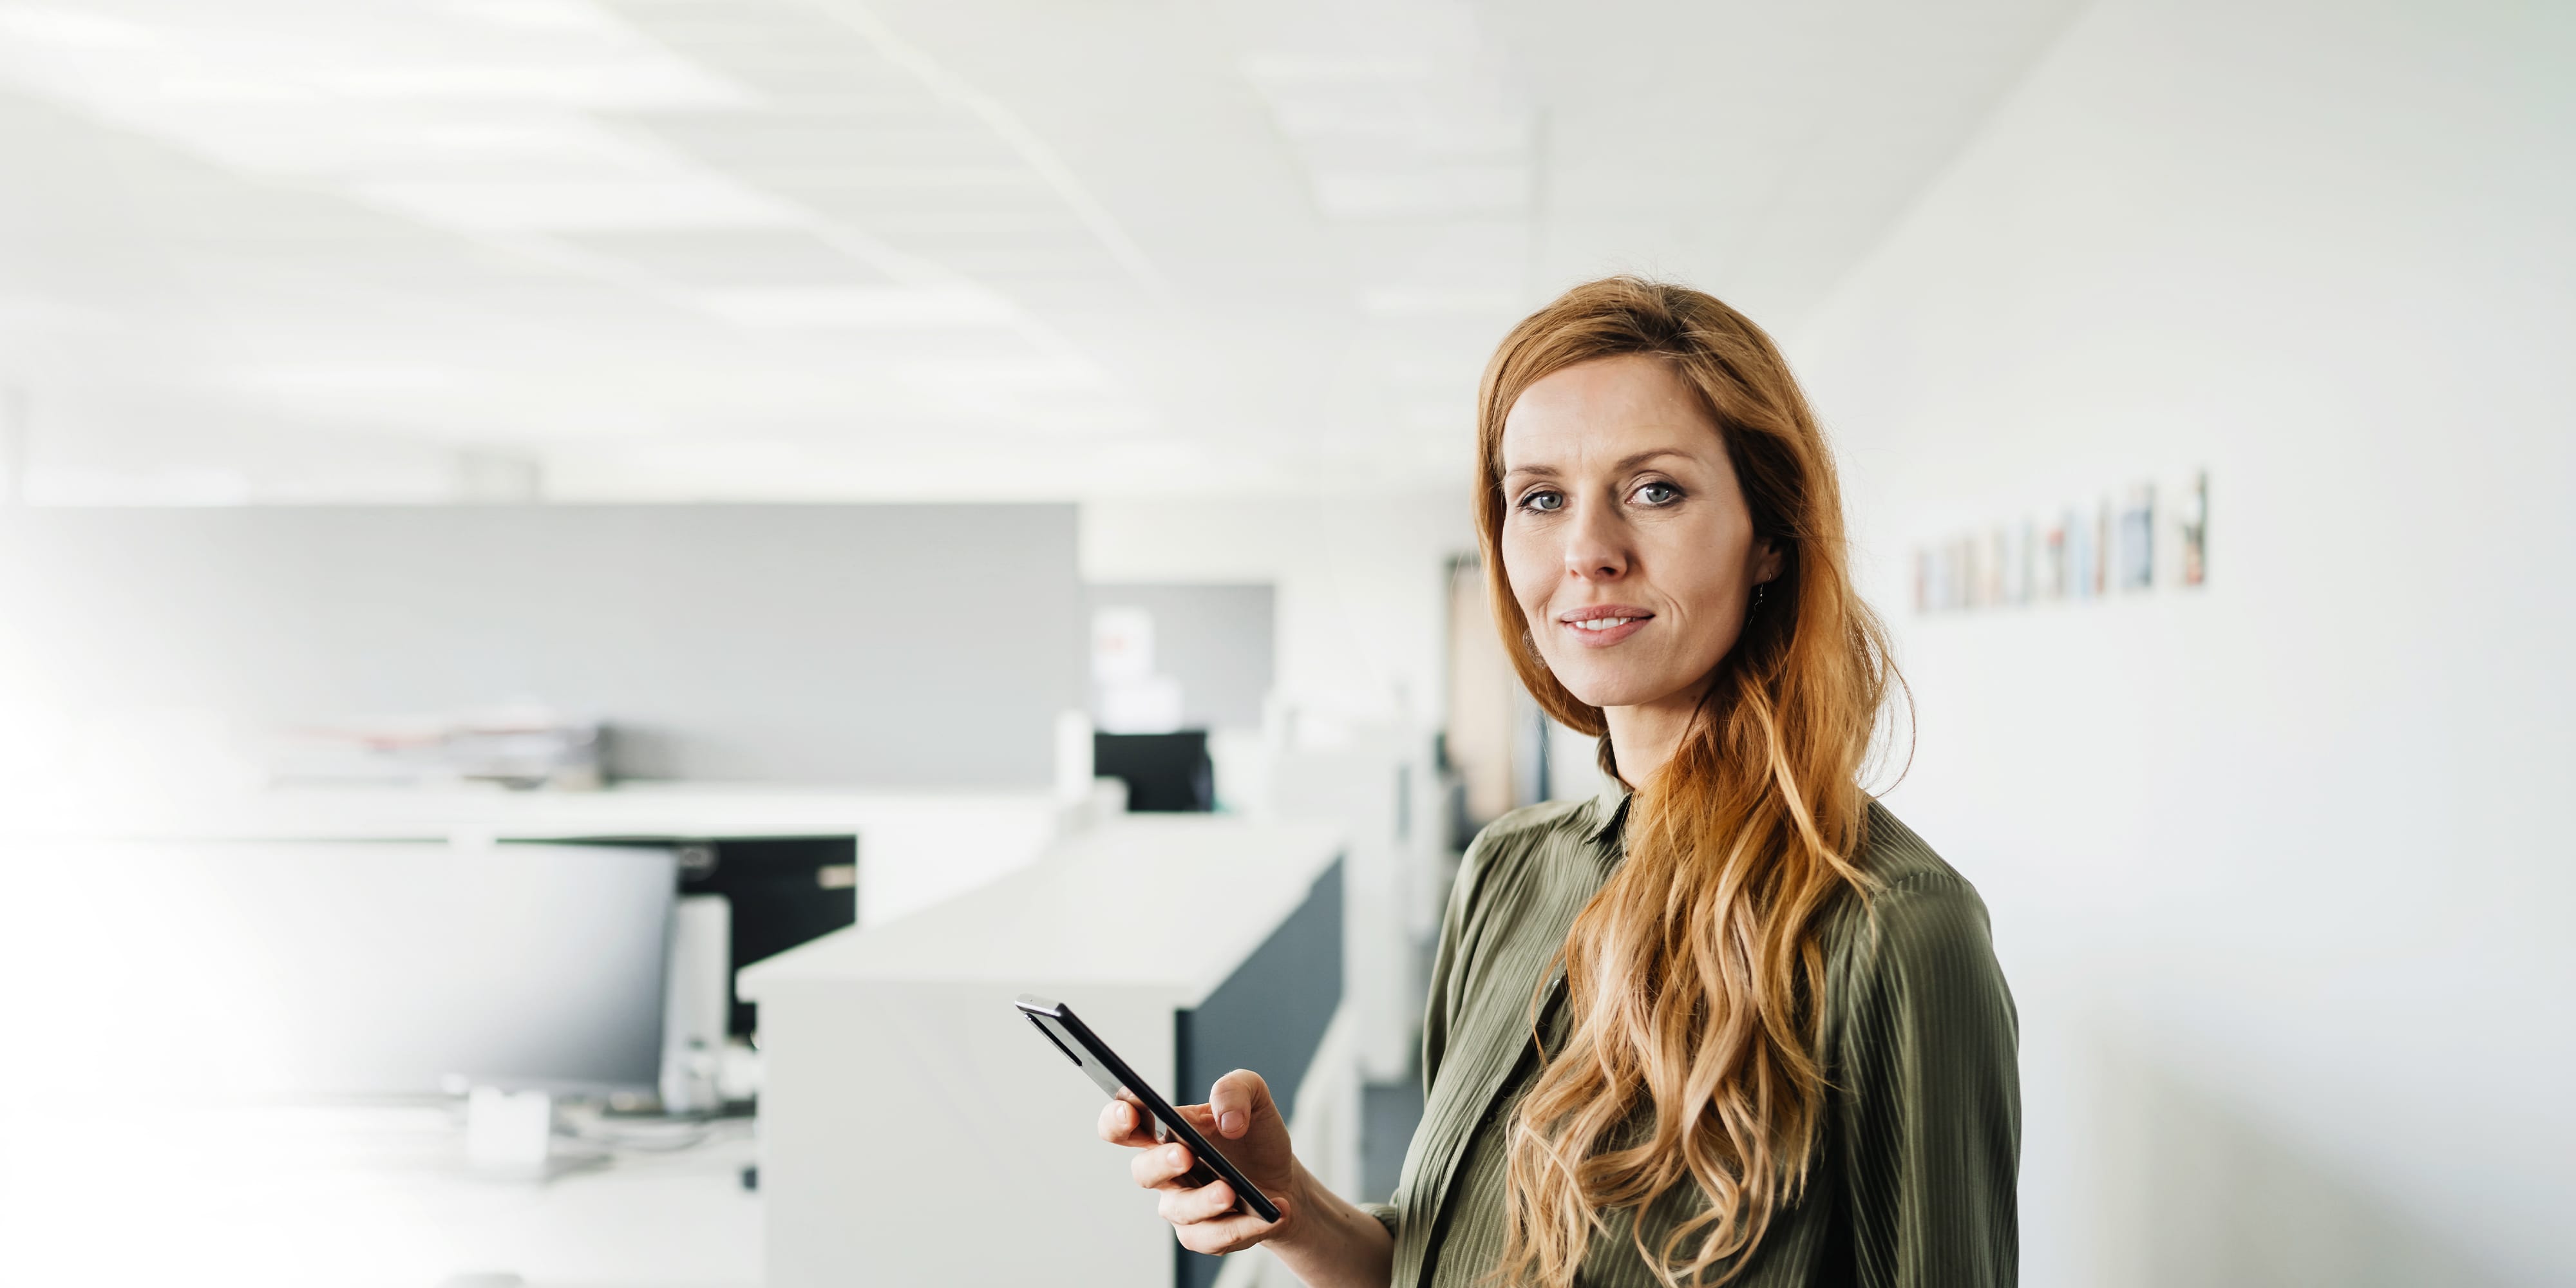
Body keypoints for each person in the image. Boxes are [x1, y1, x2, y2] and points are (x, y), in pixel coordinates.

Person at [1096, 278, 2020, 1287]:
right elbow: (1444, 1257)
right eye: (1541, 498)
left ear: (1770, 539)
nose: (1588, 552)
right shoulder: (1508, 869)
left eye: (1655, 490)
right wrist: (1294, 1208)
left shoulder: (1888, 927)